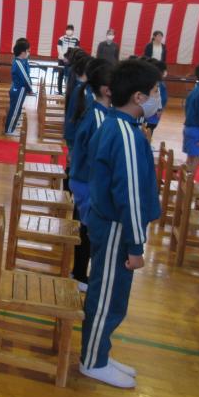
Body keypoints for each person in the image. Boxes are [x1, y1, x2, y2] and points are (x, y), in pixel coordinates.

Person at [80, 59, 162, 388]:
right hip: (116, 227)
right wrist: (136, 245)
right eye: (154, 91)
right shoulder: (125, 133)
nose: (158, 97)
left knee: (110, 292)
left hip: (110, 223)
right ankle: (92, 361)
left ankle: (99, 350)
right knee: (107, 296)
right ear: (138, 97)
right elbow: (129, 193)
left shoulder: (117, 125)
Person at [68, 58, 113, 292]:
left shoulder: (98, 111)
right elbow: (97, 157)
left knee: (86, 227)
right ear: (106, 90)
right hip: (86, 181)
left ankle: (78, 272)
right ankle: (78, 274)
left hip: (83, 179)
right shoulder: (98, 116)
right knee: (88, 229)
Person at [64, 54, 93, 157]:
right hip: (75, 134)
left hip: (72, 132)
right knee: (74, 161)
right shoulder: (83, 90)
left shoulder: (78, 86)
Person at [4, 39, 34, 135]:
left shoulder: (19, 61)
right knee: (15, 110)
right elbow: (25, 78)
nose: (28, 53)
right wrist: (30, 89)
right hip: (19, 89)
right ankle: (9, 130)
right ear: (22, 52)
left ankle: (11, 127)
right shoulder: (19, 63)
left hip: (18, 89)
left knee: (16, 109)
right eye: (27, 51)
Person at [144, 60, 168, 135]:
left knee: (150, 129)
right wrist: (159, 109)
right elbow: (158, 97)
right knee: (149, 129)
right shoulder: (157, 83)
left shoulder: (159, 82)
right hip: (153, 112)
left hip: (154, 112)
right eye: (164, 71)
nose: (165, 73)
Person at [56, 25, 79, 95]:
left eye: (70, 29)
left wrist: (70, 59)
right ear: (65, 30)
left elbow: (76, 50)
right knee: (60, 75)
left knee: (69, 76)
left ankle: (68, 92)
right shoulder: (61, 38)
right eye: (68, 29)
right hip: (61, 60)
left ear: (73, 31)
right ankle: (59, 91)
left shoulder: (76, 39)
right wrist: (63, 58)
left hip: (71, 61)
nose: (69, 31)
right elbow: (59, 49)